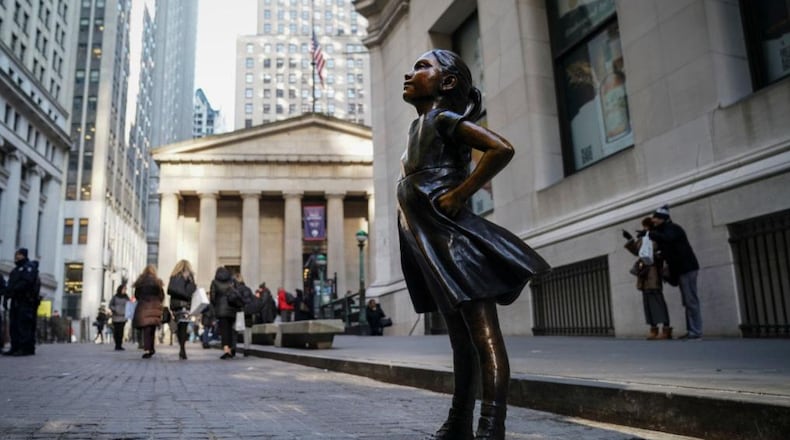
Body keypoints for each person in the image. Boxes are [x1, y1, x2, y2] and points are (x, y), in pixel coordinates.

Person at [398, 50, 551, 440]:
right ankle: (459, 423)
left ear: (447, 83)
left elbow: (501, 148)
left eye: (422, 67)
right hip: (428, 240)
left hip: (454, 240)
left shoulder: (444, 119)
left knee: (483, 335)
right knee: (459, 339)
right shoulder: (417, 129)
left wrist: (460, 194)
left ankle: (491, 427)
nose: (410, 73)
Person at [649, 204, 702, 340]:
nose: (653, 220)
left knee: (691, 301)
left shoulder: (673, 229)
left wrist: (650, 233)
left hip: (687, 269)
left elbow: (668, 238)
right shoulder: (663, 231)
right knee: (687, 301)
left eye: (655, 218)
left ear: (663, 218)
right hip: (681, 270)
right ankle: (692, 330)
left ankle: (695, 332)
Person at [623, 218, 672, 340]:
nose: (644, 228)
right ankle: (653, 328)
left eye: (646, 226)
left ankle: (666, 329)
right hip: (644, 275)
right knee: (647, 303)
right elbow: (637, 251)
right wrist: (629, 239)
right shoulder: (644, 238)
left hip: (653, 273)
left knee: (657, 300)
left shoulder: (656, 237)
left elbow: (657, 252)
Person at [3, 248, 40, 356]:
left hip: (25, 301)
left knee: (23, 324)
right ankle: (15, 347)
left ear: (23, 255)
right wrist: (6, 298)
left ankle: (25, 348)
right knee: (14, 325)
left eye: (19, 255)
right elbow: (10, 285)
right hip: (16, 300)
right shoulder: (15, 270)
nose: (16, 257)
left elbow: (26, 283)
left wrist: (13, 291)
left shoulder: (28, 268)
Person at [131, 264, 165, 359]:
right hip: (154, 306)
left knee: (146, 329)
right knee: (152, 329)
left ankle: (147, 349)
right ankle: (151, 347)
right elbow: (161, 295)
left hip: (144, 306)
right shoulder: (157, 282)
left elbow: (137, 295)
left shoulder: (141, 282)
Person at [167, 260, 197, 360]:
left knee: (179, 326)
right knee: (183, 327)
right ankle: (182, 349)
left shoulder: (173, 276)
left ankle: (181, 347)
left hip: (175, 306)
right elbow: (190, 291)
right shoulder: (188, 277)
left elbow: (170, 290)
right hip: (184, 305)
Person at [210, 266, 240, 359]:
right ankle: (231, 349)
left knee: (224, 330)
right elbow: (237, 293)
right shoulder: (232, 281)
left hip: (221, 309)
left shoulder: (214, 282)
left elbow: (212, 297)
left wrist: (216, 305)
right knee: (231, 329)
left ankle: (226, 350)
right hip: (232, 308)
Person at [235, 273, 257, 356]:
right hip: (249, 312)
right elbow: (253, 300)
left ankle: (237, 348)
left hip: (241, 312)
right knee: (248, 330)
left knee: (239, 330)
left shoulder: (237, 290)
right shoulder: (248, 289)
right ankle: (247, 348)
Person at [108, 282, 130, 350]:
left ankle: (119, 345)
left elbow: (129, 305)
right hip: (116, 316)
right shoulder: (115, 297)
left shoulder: (126, 297)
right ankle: (116, 344)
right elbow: (110, 305)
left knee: (121, 332)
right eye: (123, 289)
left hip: (123, 317)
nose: (124, 291)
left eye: (125, 289)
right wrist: (115, 309)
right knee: (116, 331)